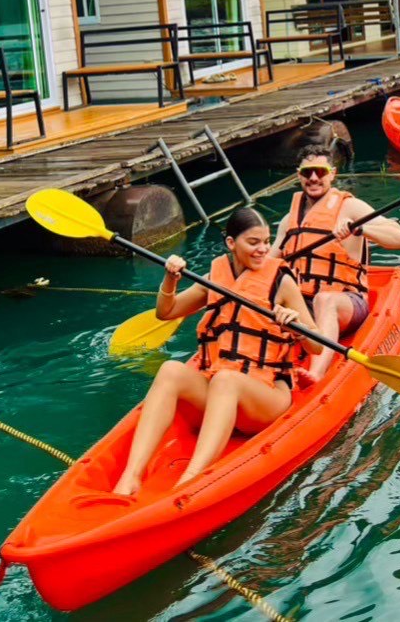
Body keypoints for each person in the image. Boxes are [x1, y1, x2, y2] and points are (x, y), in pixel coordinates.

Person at [113, 207, 320, 496]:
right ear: (231, 244)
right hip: (220, 389)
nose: (263, 249)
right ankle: (131, 476)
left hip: (265, 396)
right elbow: (166, 312)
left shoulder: (281, 281)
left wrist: (296, 326)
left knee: (227, 380)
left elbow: (316, 345)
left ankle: (191, 480)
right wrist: (170, 278)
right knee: (171, 370)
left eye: (266, 241)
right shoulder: (216, 276)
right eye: (253, 242)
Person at [274, 149, 400, 384]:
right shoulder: (289, 220)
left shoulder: (351, 208)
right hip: (304, 307)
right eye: (307, 172)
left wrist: (361, 229)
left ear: (332, 174)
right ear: (299, 175)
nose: (314, 178)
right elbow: (269, 263)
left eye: (320, 172)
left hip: (345, 302)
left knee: (325, 300)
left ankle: (316, 372)